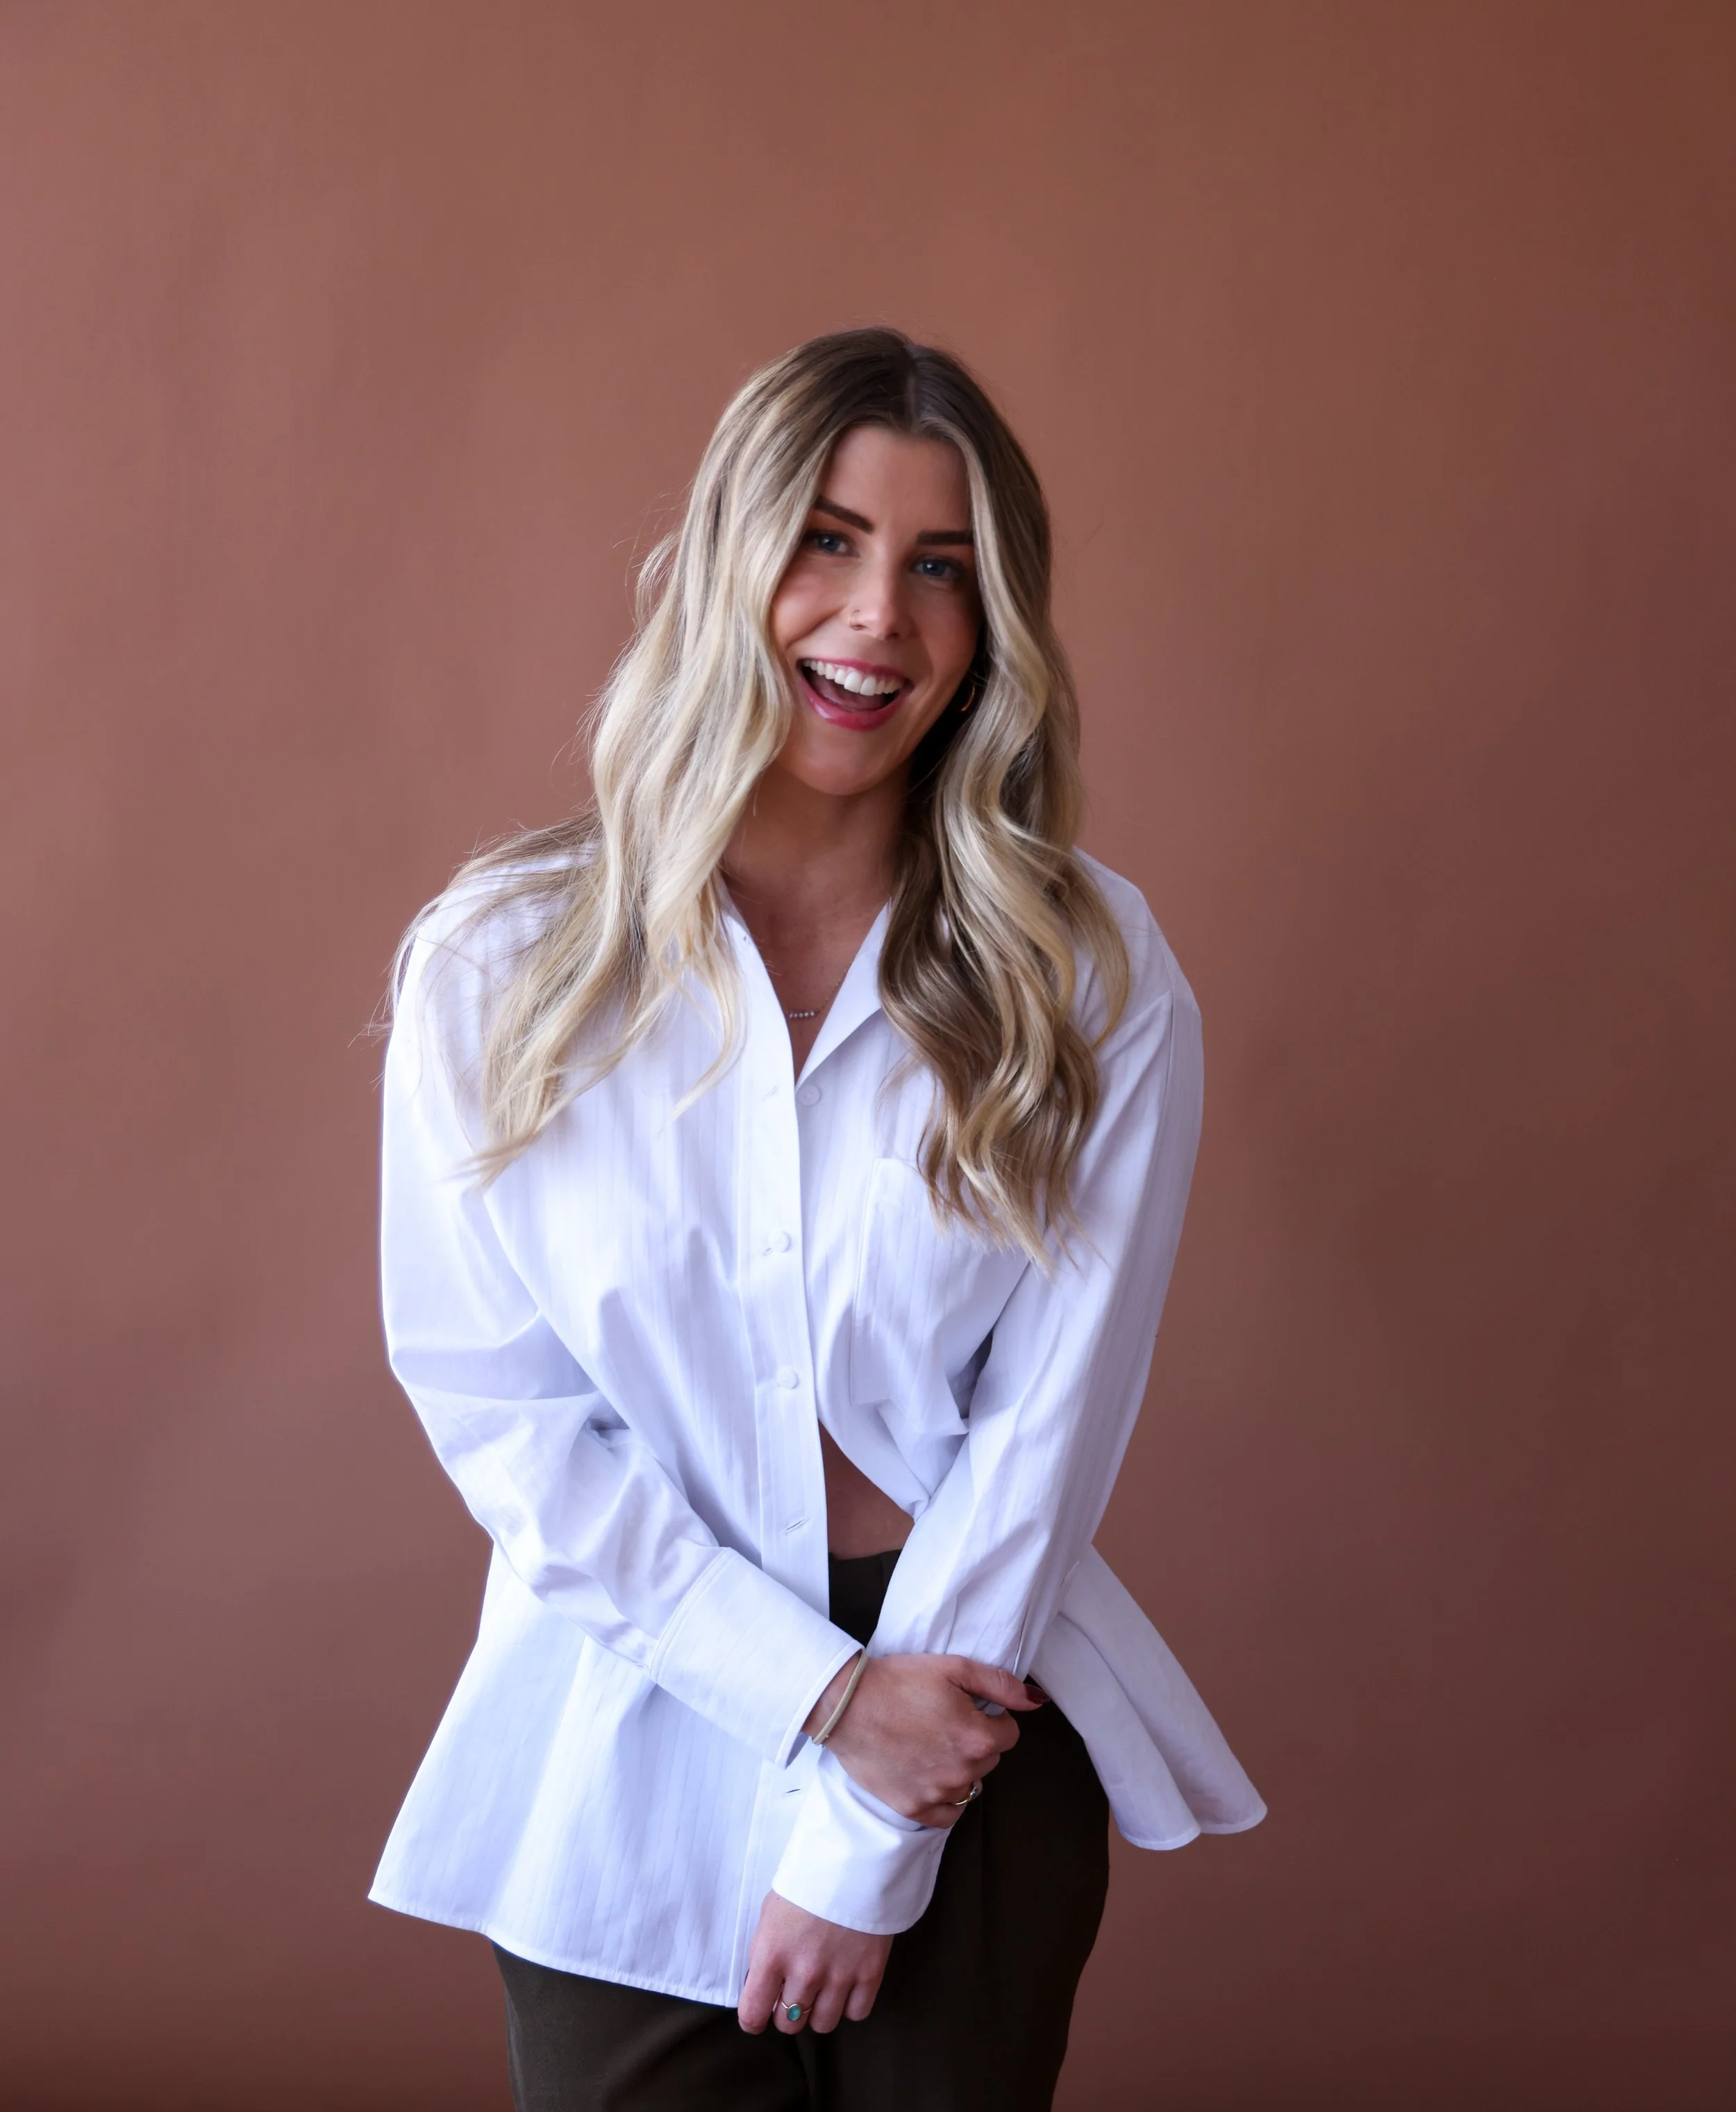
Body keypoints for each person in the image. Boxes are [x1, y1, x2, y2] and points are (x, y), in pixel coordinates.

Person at [370, 327, 1263, 2111]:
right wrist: (813, 1697)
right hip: (626, 1721)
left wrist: (870, 1818)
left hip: (975, 1709)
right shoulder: (500, 962)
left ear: (993, 622)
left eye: (942, 569)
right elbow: (502, 1411)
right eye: (827, 541)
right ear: (725, 566)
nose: (877, 620)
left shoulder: (1086, 971)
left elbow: (1048, 1429)